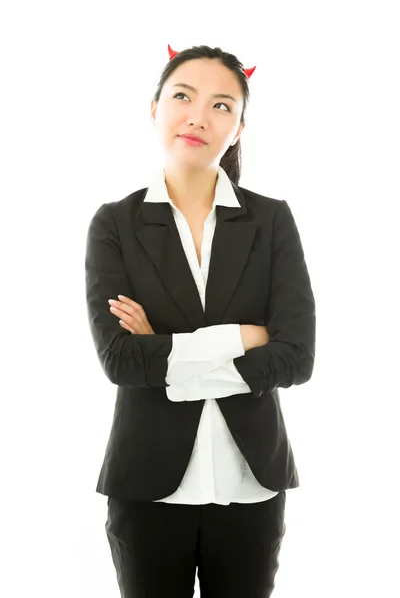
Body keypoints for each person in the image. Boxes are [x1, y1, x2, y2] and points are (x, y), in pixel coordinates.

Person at [85, 43, 316, 598]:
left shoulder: (271, 219)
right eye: (183, 96)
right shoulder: (115, 223)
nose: (198, 116)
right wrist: (242, 337)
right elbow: (120, 361)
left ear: (238, 128)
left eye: (222, 106)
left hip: (251, 484)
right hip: (147, 487)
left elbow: (296, 357)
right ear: (155, 108)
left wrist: (164, 352)